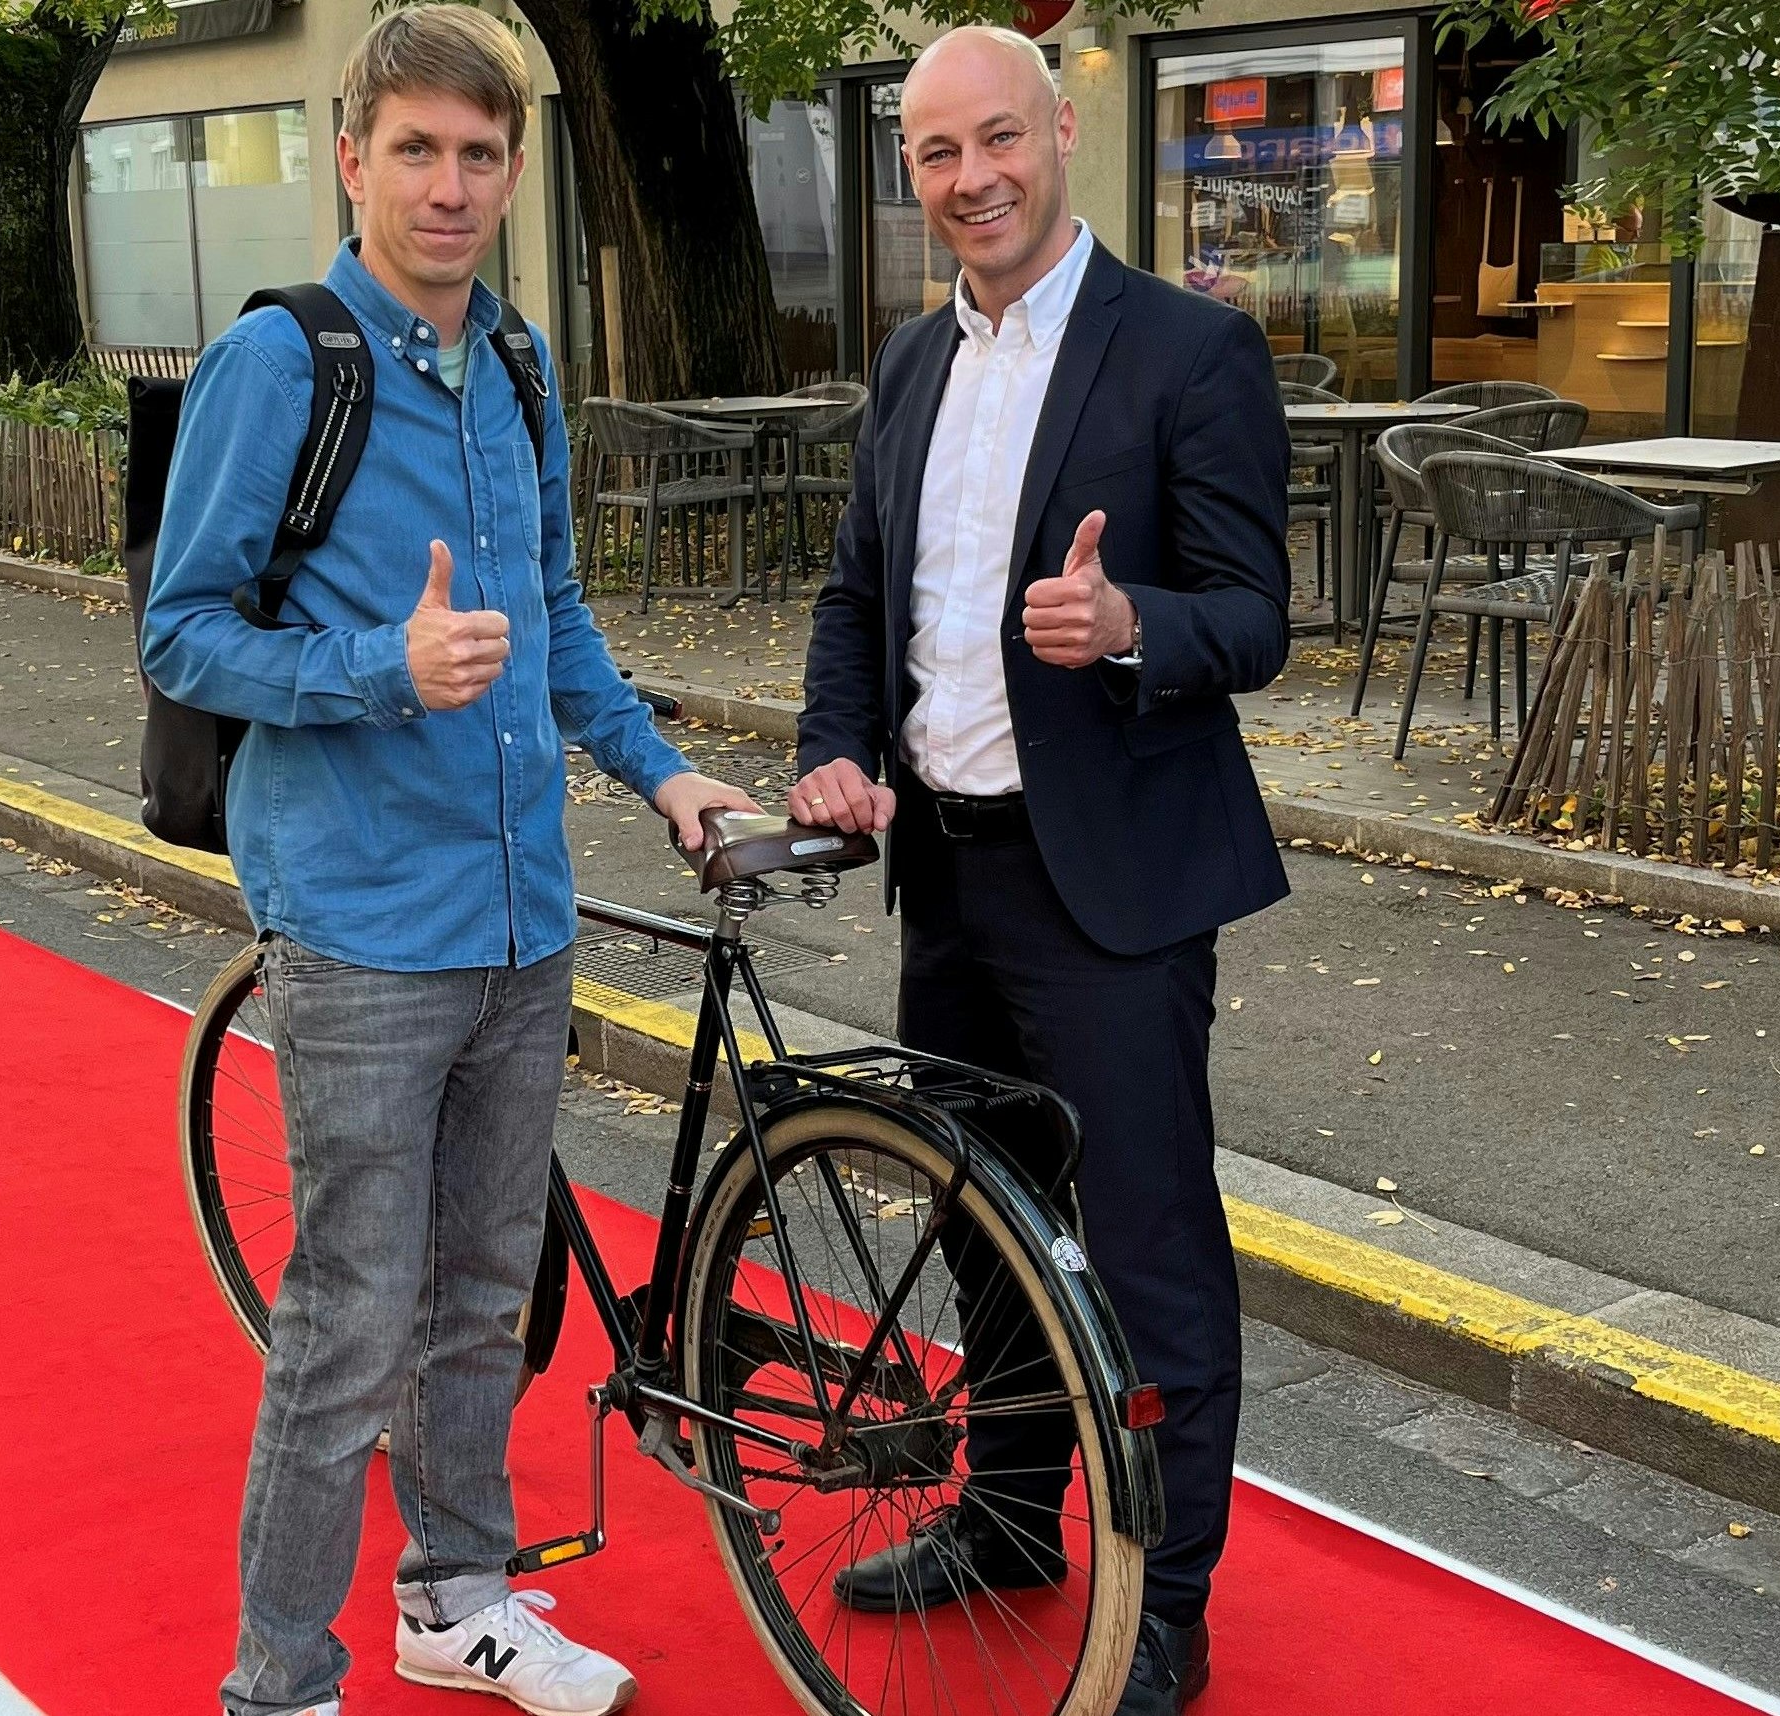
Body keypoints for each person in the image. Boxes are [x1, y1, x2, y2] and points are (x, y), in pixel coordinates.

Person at [139, 10, 755, 1715]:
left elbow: (553, 621)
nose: (451, 184)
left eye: (481, 154)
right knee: (347, 1325)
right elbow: (182, 636)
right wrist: (372, 673)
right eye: (416, 149)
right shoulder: (285, 362)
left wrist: (663, 770)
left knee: (488, 1296)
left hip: (517, 915)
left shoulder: (521, 365)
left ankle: (456, 1598)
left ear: (512, 168)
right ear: (353, 159)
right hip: (357, 923)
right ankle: (278, 1680)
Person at [790, 25, 1290, 1716]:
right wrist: (833, 742)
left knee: (1146, 1257)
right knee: (984, 1226)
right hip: (952, 869)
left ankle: (1171, 1600)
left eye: (997, 140)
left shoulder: (1190, 351)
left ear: (1062, 134)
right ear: (913, 174)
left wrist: (1137, 622)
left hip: (1118, 896)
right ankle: (1007, 1519)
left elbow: (1262, 615)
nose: (972, 179)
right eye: (936, 155)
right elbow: (863, 592)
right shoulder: (910, 364)